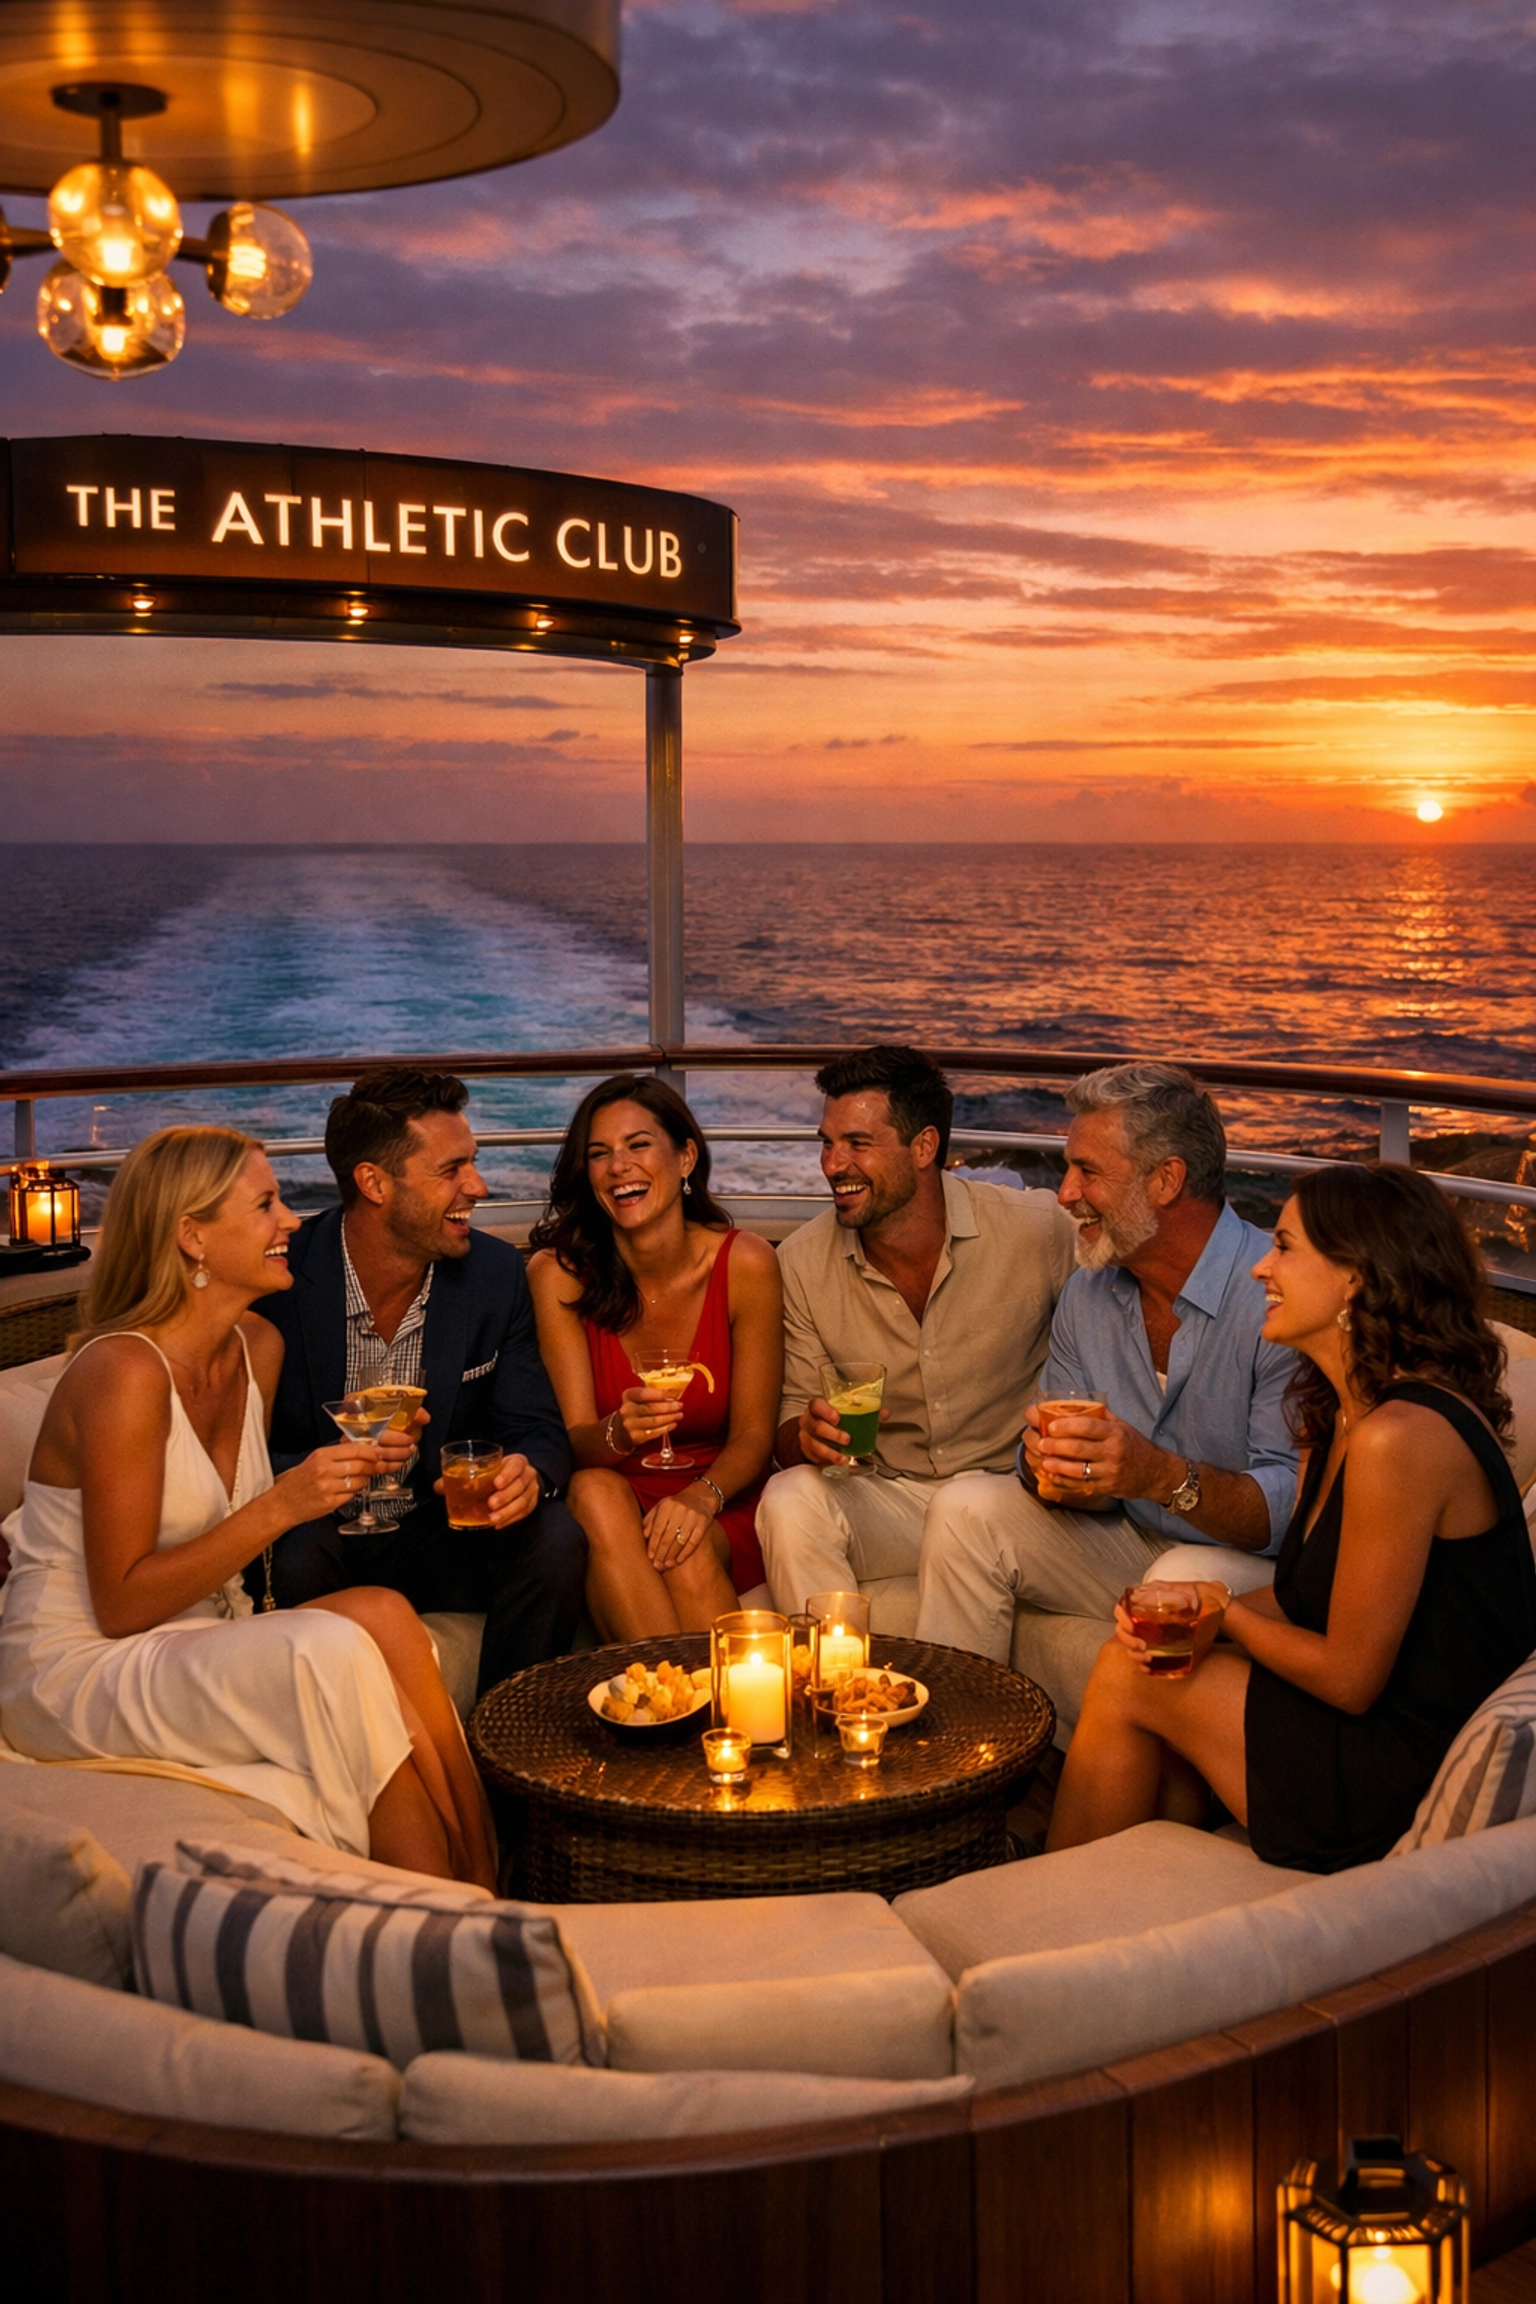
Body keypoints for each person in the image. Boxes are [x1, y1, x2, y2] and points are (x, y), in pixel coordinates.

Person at [0, 1127, 495, 1887]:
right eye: (265, 1204)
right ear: (192, 1236)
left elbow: (226, 1503)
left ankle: (482, 1871)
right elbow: (121, 1603)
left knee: (386, 1616)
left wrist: (353, 1460)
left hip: (193, 1630)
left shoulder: (256, 1346)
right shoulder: (124, 1372)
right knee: (328, 1651)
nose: (291, 1220)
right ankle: (441, 1905)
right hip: (75, 1665)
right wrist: (286, 1505)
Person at [1047, 1163, 1536, 1871]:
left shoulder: (1400, 1438)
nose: (1260, 1268)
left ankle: (1051, 1898)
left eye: (1283, 1247)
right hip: (1363, 1723)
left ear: (1354, 1277)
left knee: (1130, 1673)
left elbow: (1350, 1678)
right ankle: (1132, 1889)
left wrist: (1225, 1611)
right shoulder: (1337, 1412)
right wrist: (1195, 1615)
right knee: (1158, 1658)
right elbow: (1307, 1595)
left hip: (1398, 1767)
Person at [914, 1064, 1299, 1708]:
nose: (1065, 1194)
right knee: (963, 1508)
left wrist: (1157, 1475)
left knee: (1177, 1576)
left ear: (1166, 1180)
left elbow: (1292, 1513)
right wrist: (1049, 1467)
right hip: (1129, 1532)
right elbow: (1078, 1483)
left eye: (1087, 1171)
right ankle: (958, 1741)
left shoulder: (1274, 1295)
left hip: (1245, 1561)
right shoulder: (1088, 1292)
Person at [251, 1067, 584, 1698]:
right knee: (296, 1551)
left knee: (554, 1537)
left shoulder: (493, 1275)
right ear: (374, 1182)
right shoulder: (281, 1282)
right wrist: (317, 1472)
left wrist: (528, 1475)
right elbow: (230, 1461)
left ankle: (509, 1736)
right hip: (323, 1535)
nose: (477, 1186)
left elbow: (536, 1428)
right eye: (451, 1169)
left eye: (472, 1163)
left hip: (441, 1533)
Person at [757, 1045, 1077, 1626]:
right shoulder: (801, 1262)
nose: (833, 1165)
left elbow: (1122, 1315)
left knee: (965, 1507)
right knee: (788, 1498)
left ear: (924, 1147)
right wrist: (807, 1437)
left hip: (1012, 1499)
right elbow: (788, 1426)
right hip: (893, 1495)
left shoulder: (1038, 1232)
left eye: (857, 1143)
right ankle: (840, 1676)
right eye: (827, 1143)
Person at [528, 1074, 782, 1639]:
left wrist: (700, 1498)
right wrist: (620, 1431)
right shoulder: (558, 1275)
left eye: (638, 1145)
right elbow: (575, 1441)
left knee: (686, 1550)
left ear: (686, 1157)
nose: (618, 1167)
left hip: (720, 1491)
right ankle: (680, 1687)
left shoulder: (746, 1264)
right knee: (592, 1489)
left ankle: (671, 1690)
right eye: (599, 1153)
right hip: (614, 1499)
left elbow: (753, 1437)